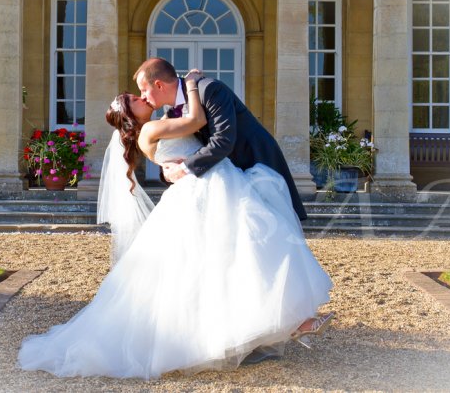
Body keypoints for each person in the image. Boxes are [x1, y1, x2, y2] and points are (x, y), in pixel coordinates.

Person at [18, 71, 333, 380]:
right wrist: (193, 83)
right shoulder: (150, 128)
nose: (141, 97)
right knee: (250, 246)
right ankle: (273, 324)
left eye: (139, 93)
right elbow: (196, 122)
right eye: (133, 99)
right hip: (207, 187)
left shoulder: (158, 122)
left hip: (213, 182)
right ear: (130, 115)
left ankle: (264, 324)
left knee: (231, 257)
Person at [135, 57, 308, 221]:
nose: (142, 96)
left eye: (143, 90)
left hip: (253, 162)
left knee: (272, 228)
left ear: (158, 85)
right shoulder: (172, 110)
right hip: (225, 178)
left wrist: (184, 168)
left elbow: (223, 140)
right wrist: (168, 169)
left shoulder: (208, 89)